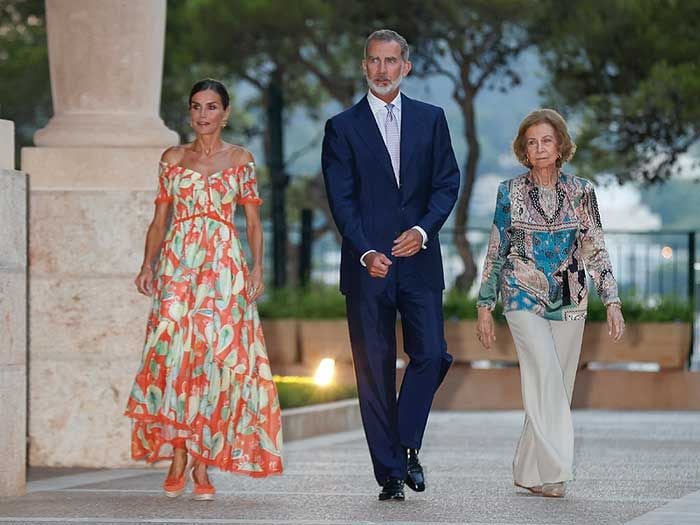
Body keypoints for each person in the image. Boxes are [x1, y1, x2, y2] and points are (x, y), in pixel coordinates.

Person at [124, 79, 283, 501]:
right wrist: (147, 264)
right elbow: (159, 220)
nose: (202, 115)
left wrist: (257, 269)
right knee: (176, 357)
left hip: (223, 268)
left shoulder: (241, 160)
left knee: (215, 360)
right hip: (178, 266)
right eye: (196, 106)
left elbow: (252, 224)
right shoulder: (172, 158)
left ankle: (202, 463)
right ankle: (179, 451)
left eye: (212, 107)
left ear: (225, 113)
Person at [322, 29, 460, 501]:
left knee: (433, 354)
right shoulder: (341, 127)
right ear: (365, 67)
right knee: (374, 370)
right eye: (375, 61)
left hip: (420, 261)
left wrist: (422, 231)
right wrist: (365, 251)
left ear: (407, 66)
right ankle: (391, 475)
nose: (383, 70)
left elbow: (447, 183)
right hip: (368, 268)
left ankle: (403, 444)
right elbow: (341, 201)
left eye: (391, 61)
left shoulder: (432, 119)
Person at [476, 108, 625, 498]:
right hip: (521, 292)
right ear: (524, 150)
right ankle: (558, 469)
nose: (539, 148)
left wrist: (612, 299)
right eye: (531, 142)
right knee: (543, 372)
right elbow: (496, 248)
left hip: (572, 296)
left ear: (560, 145)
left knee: (557, 383)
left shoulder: (582, 192)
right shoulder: (509, 192)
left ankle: (530, 471)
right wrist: (484, 304)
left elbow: (595, 248)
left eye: (546, 140)